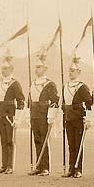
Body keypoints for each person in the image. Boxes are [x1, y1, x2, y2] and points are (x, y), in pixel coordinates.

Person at [27, 46, 60, 176]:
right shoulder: (33, 83)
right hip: (34, 114)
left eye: (39, 67)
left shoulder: (49, 84)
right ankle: (38, 165)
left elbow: (55, 101)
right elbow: (29, 99)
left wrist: (51, 116)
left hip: (44, 114)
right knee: (36, 140)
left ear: (45, 69)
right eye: (36, 67)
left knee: (44, 140)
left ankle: (45, 167)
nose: (37, 69)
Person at [61, 53, 94, 179]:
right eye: (69, 70)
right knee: (71, 145)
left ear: (79, 71)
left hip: (79, 118)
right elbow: (63, 103)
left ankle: (78, 169)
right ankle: (71, 168)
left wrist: (88, 119)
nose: (70, 72)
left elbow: (89, 103)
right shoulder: (65, 86)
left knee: (78, 143)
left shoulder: (82, 87)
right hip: (68, 118)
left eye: (73, 70)